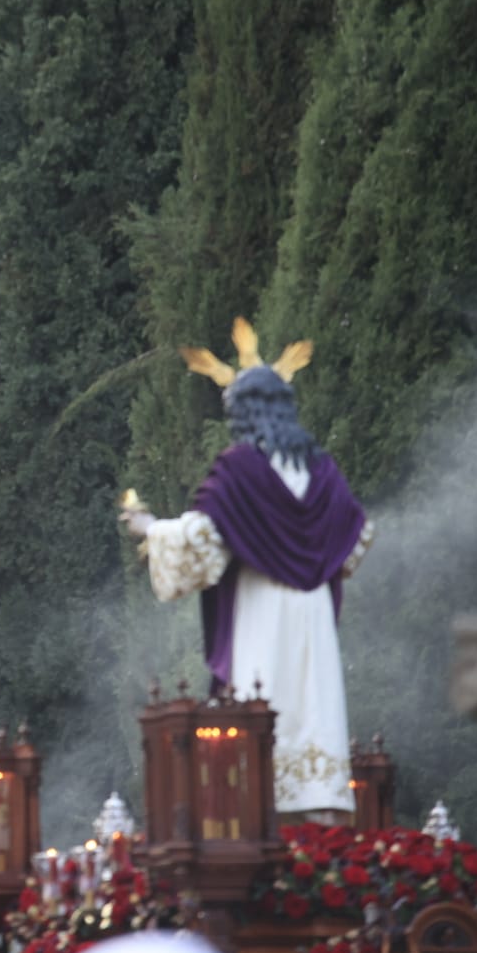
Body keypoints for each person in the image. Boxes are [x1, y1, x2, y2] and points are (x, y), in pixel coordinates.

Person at [120, 318, 374, 821]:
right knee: (312, 706)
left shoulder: (241, 468)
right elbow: (357, 538)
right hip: (313, 614)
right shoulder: (321, 470)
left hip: (264, 609)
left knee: (263, 709)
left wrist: (150, 528)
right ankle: (319, 812)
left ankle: (261, 812)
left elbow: (203, 541)